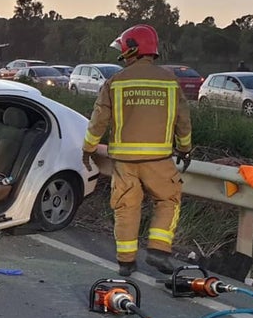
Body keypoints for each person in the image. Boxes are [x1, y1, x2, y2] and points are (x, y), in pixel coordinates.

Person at [81, 24, 192, 277]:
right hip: (159, 160)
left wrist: (88, 148)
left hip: (124, 162)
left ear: (132, 49)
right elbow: (183, 121)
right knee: (167, 200)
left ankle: (126, 263)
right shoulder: (170, 82)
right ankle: (158, 250)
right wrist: (185, 149)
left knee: (126, 207)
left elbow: (98, 120)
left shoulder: (115, 82)